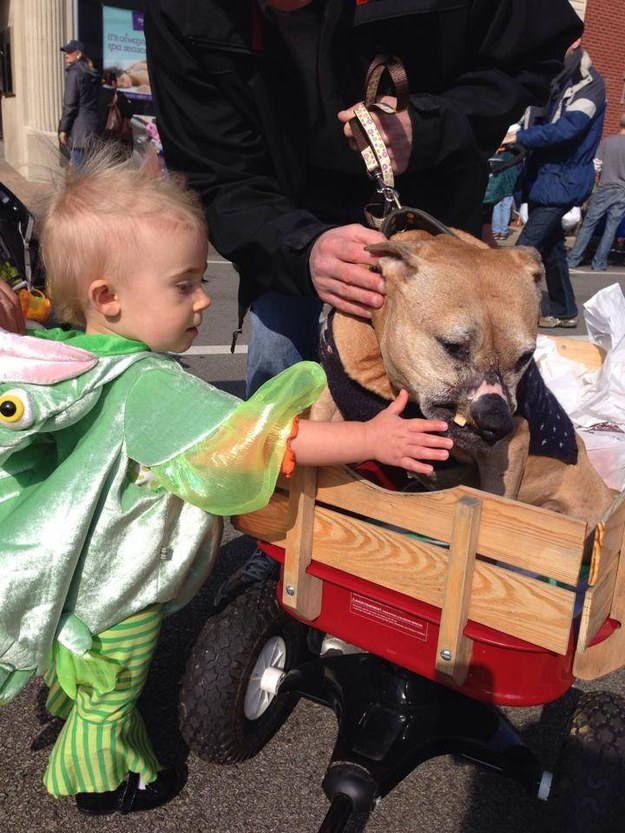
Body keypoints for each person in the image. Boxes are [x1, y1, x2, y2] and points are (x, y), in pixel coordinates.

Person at [0, 151, 453, 815]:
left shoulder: (79, 355)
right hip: (121, 583)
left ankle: (77, 703)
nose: (204, 299)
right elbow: (265, 438)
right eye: (183, 285)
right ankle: (102, 780)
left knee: (90, 660)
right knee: (114, 690)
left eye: (201, 280)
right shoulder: (149, 386)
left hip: (80, 570)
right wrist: (371, 440)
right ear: (108, 298)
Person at [143, 0, 583, 603]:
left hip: (430, 220)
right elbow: (217, 174)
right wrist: (298, 248)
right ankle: (285, 543)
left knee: (469, 417)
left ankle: (429, 553)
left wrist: (432, 126)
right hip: (288, 223)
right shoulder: (186, 13)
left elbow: (534, 50)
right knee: (284, 369)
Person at [511, 39, 606, 328]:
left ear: (575, 42)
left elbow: (567, 130)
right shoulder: (554, 79)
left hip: (563, 182)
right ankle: (564, 311)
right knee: (552, 251)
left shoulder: (590, 84)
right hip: (543, 179)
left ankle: (510, 316)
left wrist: (518, 137)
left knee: (521, 252)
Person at [567, 113, 625, 272]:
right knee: (611, 228)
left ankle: (574, 258)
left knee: (588, 225)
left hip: (605, 186)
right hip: (622, 190)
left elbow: (596, 166)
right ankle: (599, 262)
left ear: (619, 123)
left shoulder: (607, 142)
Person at [58, 40, 101, 171]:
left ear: (78, 54)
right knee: (88, 170)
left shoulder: (75, 73)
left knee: (79, 172)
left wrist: (64, 129)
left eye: (69, 52)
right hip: (92, 126)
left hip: (79, 130)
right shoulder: (91, 73)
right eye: (65, 51)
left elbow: (70, 104)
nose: (66, 54)